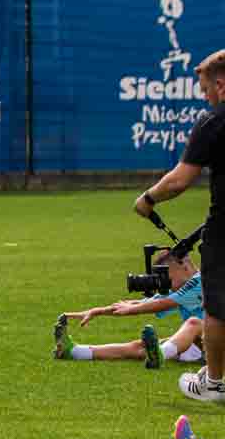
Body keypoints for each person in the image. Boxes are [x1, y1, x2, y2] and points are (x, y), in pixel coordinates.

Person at [136, 47, 225, 402]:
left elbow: (179, 181)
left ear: (220, 85)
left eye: (206, 90)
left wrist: (148, 199)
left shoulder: (213, 122)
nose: (205, 98)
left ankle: (214, 383)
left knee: (217, 307)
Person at [53, 248, 203, 368]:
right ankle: (74, 351)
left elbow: (165, 303)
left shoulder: (201, 281)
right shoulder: (182, 288)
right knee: (138, 346)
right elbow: (143, 303)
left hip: (212, 344)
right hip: (199, 344)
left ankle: (160, 356)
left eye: (168, 278)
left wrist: (131, 310)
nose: (165, 284)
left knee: (194, 323)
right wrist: (97, 311)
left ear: (184, 265)